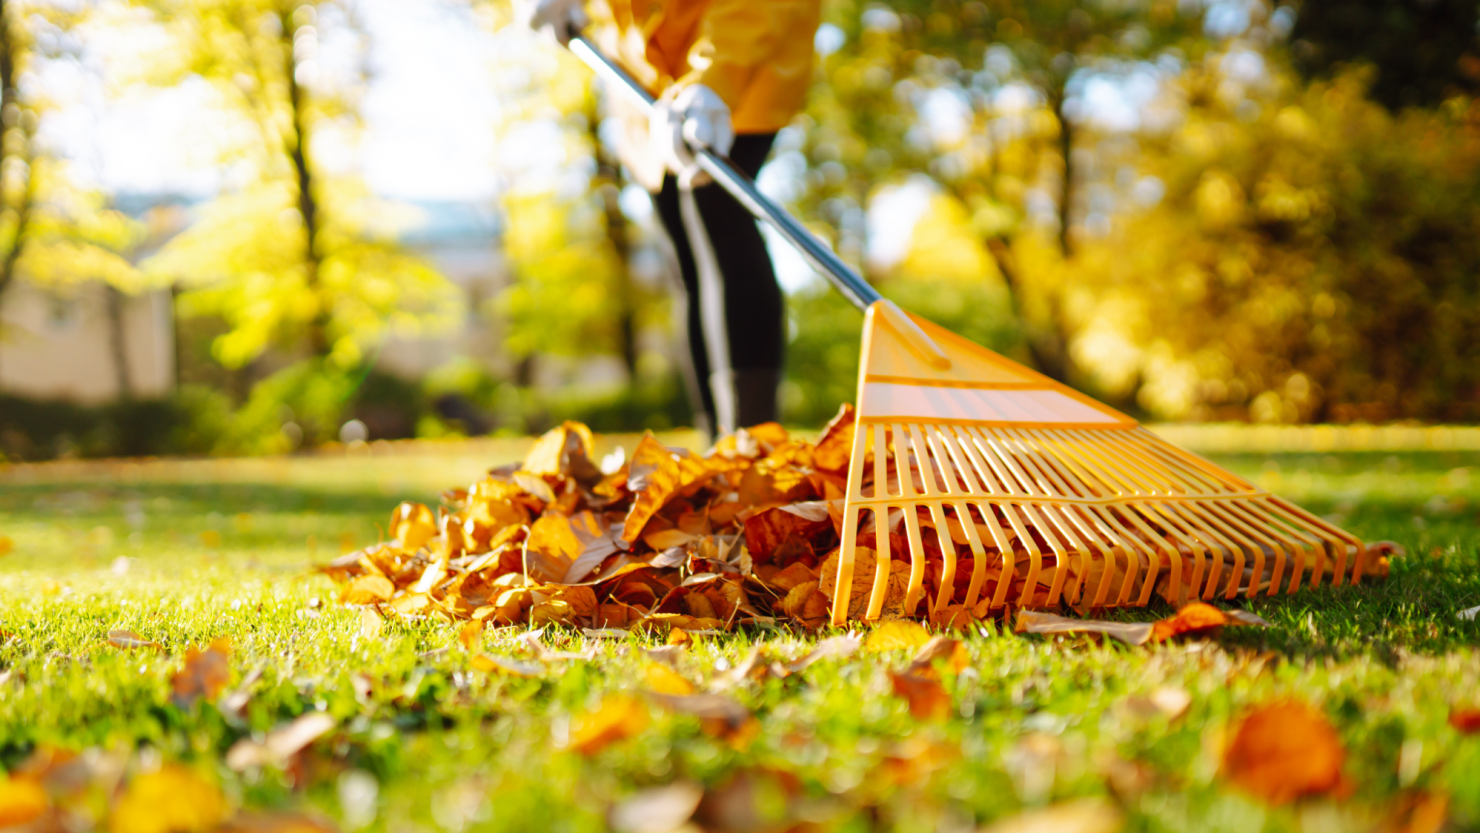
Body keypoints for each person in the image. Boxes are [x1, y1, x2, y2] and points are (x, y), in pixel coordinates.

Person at [515, 0, 823, 437]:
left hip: (739, 50)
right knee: (683, 250)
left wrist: (714, 80)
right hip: (643, 78)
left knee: (716, 215)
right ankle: (717, 444)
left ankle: (752, 443)